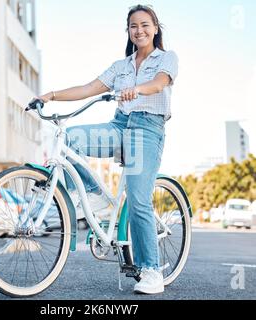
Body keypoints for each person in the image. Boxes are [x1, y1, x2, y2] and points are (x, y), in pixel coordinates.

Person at [37, 4, 178, 294]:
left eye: (144, 25)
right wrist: (50, 95)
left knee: (138, 201)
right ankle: (93, 197)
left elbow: (160, 83)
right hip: (118, 126)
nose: (139, 30)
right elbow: (89, 88)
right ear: (128, 31)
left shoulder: (167, 58)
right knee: (71, 138)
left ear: (155, 28)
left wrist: (137, 90)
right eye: (133, 26)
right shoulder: (121, 66)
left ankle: (151, 271)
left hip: (146, 129)